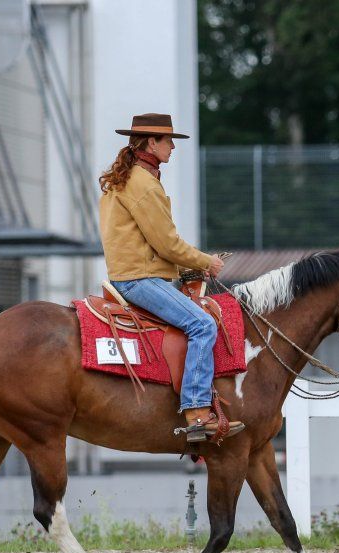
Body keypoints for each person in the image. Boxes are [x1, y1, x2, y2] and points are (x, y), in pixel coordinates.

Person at [98, 113, 245, 443]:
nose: (173, 147)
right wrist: (205, 260)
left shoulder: (126, 180)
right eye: (169, 141)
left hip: (133, 274)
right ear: (152, 142)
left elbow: (147, 245)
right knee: (203, 324)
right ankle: (196, 412)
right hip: (139, 280)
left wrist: (187, 269)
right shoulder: (144, 184)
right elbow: (166, 243)